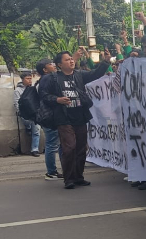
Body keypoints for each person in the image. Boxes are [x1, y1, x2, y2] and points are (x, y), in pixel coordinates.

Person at [39, 49, 110, 189]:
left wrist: (106, 62)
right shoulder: (52, 78)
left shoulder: (79, 75)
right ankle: (69, 178)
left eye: (72, 59)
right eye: (67, 59)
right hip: (63, 118)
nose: (71, 61)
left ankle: (79, 177)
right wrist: (57, 99)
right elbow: (43, 95)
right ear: (59, 64)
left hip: (80, 117)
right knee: (69, 147)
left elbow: (95, 74)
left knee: (81, 148)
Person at [35, 59, 62, 180]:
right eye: (51, 65)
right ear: (45, 70)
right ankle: (51, 172)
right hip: (49, 118)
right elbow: (47, 98)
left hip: (46, 117)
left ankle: (54, 171)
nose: (54, 66)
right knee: (52, 144)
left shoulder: (41, 81)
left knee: (54, 143)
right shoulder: (46, 81)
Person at [14, 71, 40, 157]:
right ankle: (28, 128)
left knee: (36, 131)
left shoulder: (33, 88)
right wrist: (20, 112)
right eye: (27, 79)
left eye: (30, 79)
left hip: (34, 112)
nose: (29, 80)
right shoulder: (18, 90)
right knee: (28, 123)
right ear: (22, 79)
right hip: (24, 113)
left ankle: (35, 149)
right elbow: (17, 102)